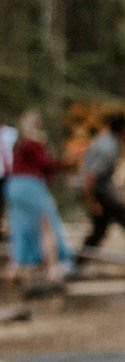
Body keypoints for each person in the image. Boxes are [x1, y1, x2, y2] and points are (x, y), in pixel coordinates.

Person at [4, 106, 75, 281]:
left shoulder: (19, 143)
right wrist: (67, 163)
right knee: (47, 224)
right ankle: (53, 267)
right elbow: (45, 165)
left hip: (13, 185)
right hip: (30, 185)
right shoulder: (33, 143)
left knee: (20, 226)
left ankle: (16, 267)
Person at [81, 110, 125, 258]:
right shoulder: (109, 148)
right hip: (98, 193)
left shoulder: (106, 140)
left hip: (98, 191)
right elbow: (90, 176)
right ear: (123, 129)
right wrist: (91, 201)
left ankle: (79, 261)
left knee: (100, 229)